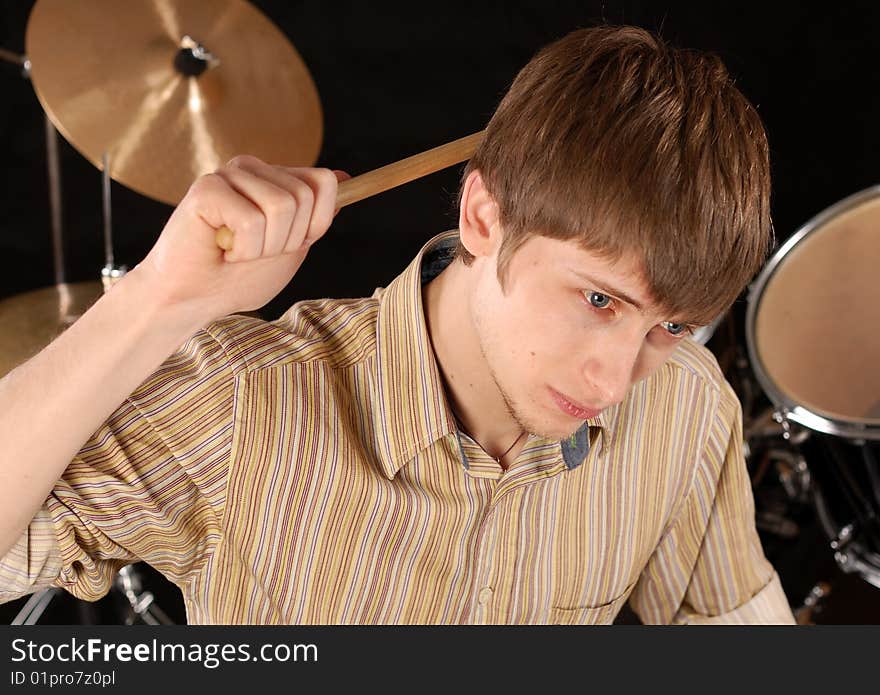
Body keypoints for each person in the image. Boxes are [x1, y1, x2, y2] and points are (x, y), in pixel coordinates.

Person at [0, 25, 795, 624]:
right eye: (599, 300)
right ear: (485, 216)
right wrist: (157, 300)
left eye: (671, 328)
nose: (617, 381)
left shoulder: (687, 409)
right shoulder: (243, 403)